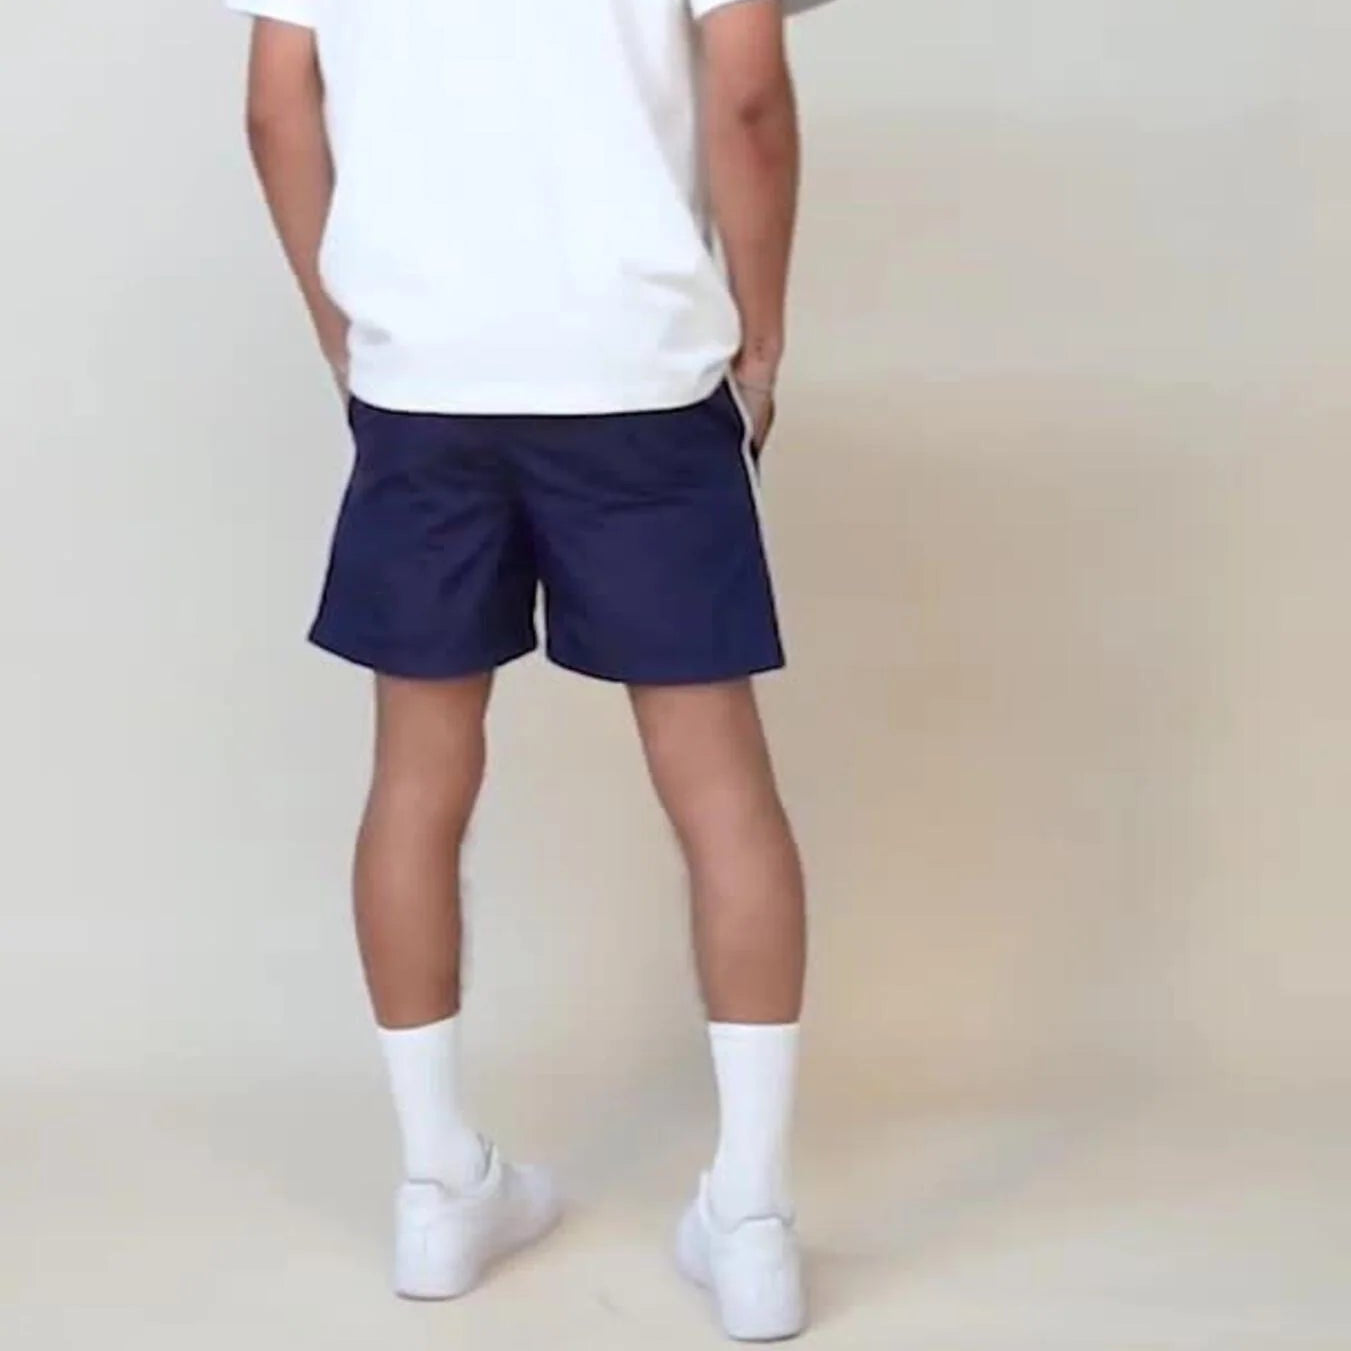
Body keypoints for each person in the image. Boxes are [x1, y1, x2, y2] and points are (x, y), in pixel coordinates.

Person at [230, 0, 822, 1339]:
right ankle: (753, 1221)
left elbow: (275, 104)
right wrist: (763, 338)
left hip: (423, 380)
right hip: (641, 371)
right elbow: (747, 96)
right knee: (722, 791)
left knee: (416, 780)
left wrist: (346, 331)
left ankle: (438, 1190)